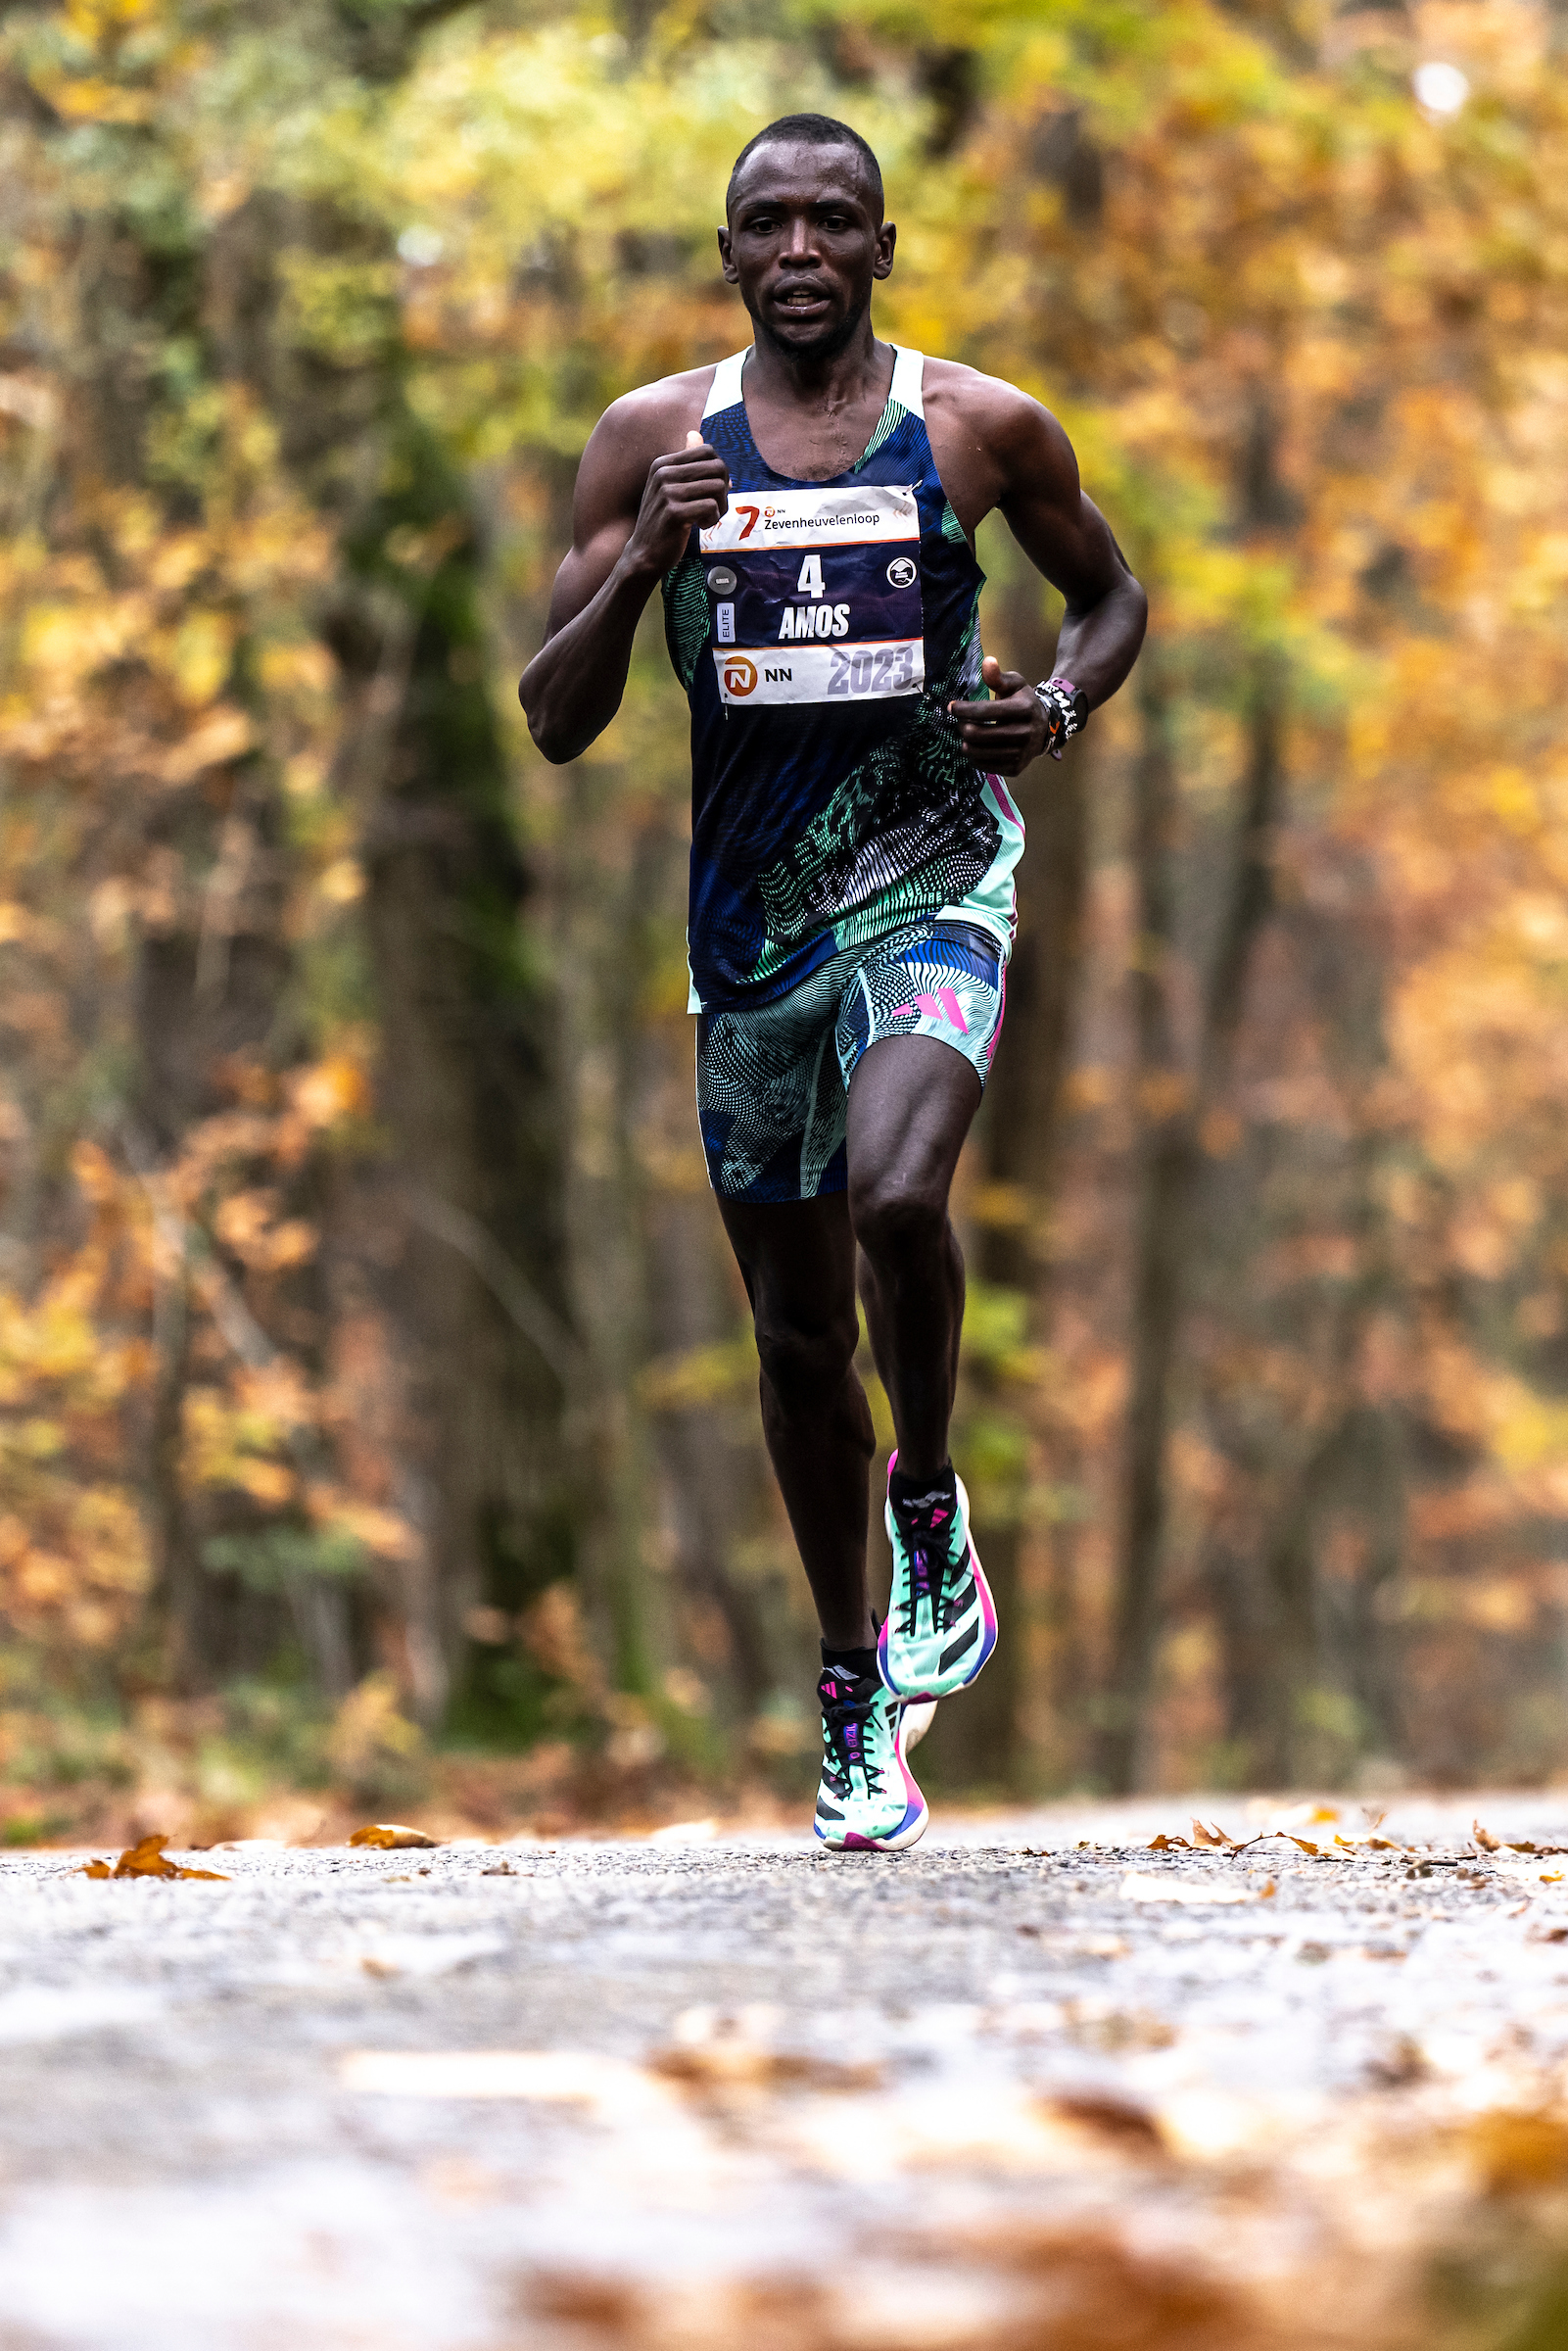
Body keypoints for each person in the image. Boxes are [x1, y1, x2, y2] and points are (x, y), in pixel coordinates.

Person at [520, 113, 1146, 1851]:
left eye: (833, 220)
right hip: (749, 937)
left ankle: (927, 1502)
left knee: (897, 1195)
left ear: (882, 245)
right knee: (798, 1339)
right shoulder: (651, 442)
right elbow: (554, 718)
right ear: (726, 254)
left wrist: (1054, 711)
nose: (800, 249)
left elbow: (1109, 598)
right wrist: (642, 562)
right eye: (768, 224)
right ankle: (851, 1684)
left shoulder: (976, 427)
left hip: (933, 880)